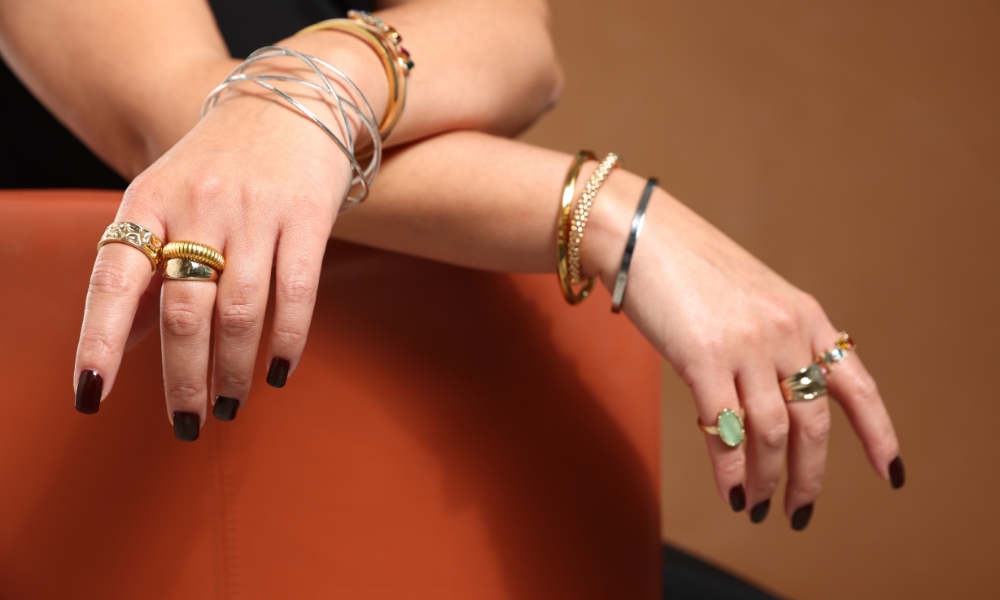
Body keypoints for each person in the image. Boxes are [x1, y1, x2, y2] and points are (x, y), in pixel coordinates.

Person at [0, 0, 903, 591]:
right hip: (108, 517)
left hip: (420, 468)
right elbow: (192, 128)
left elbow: (520, 49)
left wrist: (323, 88)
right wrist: (616, 216)